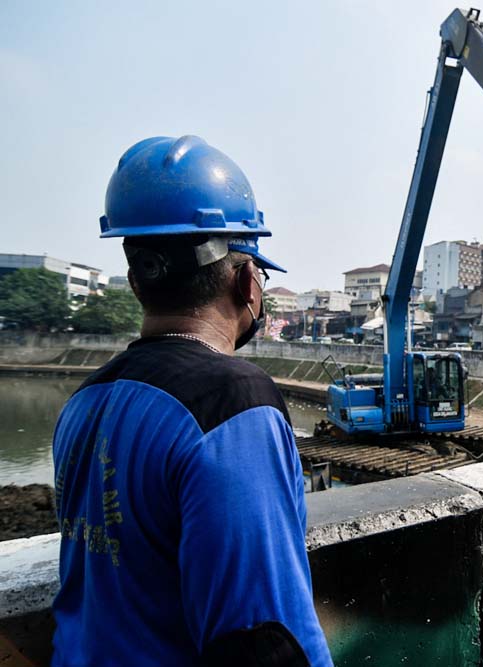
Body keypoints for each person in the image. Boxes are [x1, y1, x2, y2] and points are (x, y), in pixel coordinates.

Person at [51, 136, 333, 667]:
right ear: (249, 281)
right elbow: (265, 638)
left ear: (136, 282)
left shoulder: (81, 404)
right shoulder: (230, 404)